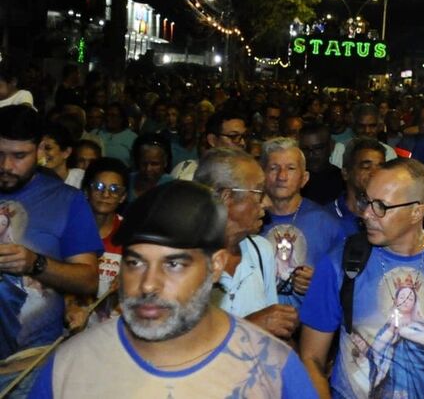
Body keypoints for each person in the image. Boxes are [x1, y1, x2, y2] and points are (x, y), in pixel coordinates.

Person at [29, 180, 317, 397]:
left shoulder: (272, 368)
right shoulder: (71, 367)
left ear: (216, 266)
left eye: (174, 264)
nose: (149, 284)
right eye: (135, 262)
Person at [299, 158, 424, 398]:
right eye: (366, 201)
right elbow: (311, 359)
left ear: (417, 211)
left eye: (381, 206)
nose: (367, 214)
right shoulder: (342, 262)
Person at [0, 105, 100, 396]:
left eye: (19, 156)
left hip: (28, 368)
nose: (6, 165)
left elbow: (88, 279)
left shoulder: (67, 201)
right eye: (0, 153)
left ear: (40, 150)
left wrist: (35, 264)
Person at [193, 149, 298, 340]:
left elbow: (273, 336)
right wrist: (251, 326)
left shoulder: (261, 251)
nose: (266, 203)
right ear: (226, 197)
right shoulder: (182, 258)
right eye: (259, 193)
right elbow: (178, 345)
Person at [260, 138, 344, 308]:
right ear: (262, 175)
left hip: (308, 327)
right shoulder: (249, 221)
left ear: (304, 178)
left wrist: (320, 281)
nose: (282, 176)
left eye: (290, 168)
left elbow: (345, 282)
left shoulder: (326, 223)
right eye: (274, 168)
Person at [65, 158, 129, 330]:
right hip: (70, 327)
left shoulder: (130, 235)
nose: (106, 195)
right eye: (99, 187)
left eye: (114, 189)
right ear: (86, 191)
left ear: (123, 196)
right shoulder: (67, 229)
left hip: (112, 331)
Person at [329, 137, 386, 238]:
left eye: (381, 167)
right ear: (346, 173)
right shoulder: (326, 218)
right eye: (366, 167)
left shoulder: (392, 215)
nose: (375, 173)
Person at [35, 123, 82, 189]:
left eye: (48, 148)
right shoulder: (30, 178)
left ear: (66, 152)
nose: (41, 153)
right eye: (38, 148)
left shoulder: (81, 179)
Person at [128, 133, 172, 201]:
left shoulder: (172, 186)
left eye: (154, 164)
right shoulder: (127, 181)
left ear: (165, 162)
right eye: (144, 163)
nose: (148, 169)